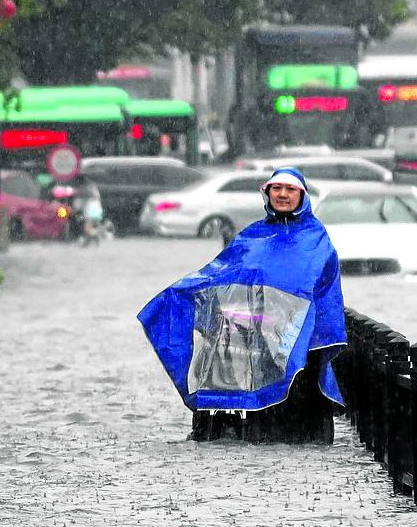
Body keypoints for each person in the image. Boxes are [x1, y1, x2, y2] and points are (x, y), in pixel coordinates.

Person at [138, 167, 347, 443]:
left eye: (290, 189)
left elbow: (318, 285)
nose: (283, 195)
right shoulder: (252, 236)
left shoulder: (315, 237)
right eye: (277, 189)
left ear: (302, 195)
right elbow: (222, 274)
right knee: (265, 421)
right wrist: (184, 292)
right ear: (267, 193)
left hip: (303, 346)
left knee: (301, 422)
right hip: (260, 345)